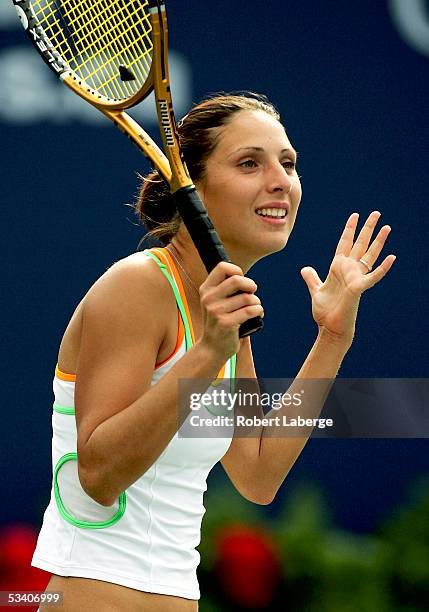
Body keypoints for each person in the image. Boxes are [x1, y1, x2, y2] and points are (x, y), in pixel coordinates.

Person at [32, 93, 396, 611]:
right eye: (250, 163)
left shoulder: (226, 308)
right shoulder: (139, 286)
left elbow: (258, 473)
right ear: (193, 187)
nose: (280, 180)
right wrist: (206, 355)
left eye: (287, 164)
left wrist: (332, 339)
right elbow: (97, 476)